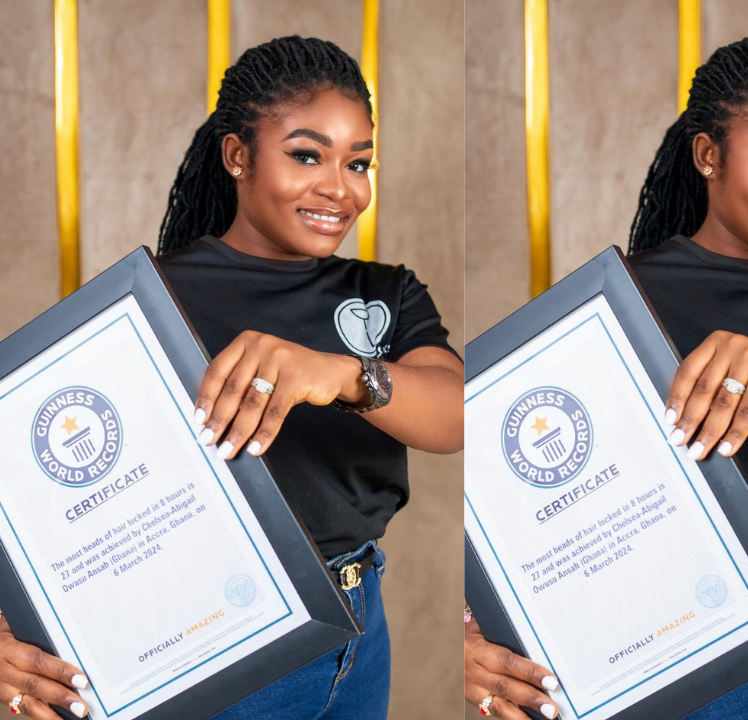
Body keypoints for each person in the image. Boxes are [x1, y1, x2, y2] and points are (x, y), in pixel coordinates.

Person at [0, 36, 463, 720]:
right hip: (217, 638)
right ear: (238, 156)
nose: (340, 187)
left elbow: (459, 412)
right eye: (307, 154)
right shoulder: (153, 300)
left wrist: (337, 373)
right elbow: (39, 470)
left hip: (361, 628)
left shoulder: (384, 294)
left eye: (358, 162)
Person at [464, 35, 748, 720]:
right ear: (709, 155)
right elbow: (519, 485)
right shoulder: (618, 303)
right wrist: (475, 634)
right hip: (682, 640)